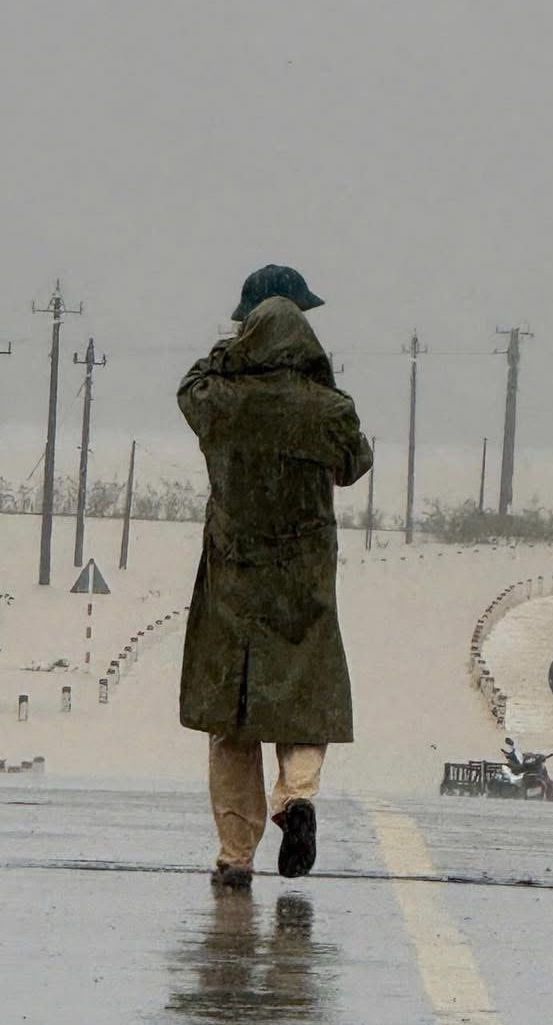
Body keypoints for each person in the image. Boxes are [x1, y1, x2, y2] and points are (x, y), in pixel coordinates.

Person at [178, 264, 372, 889]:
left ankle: (236, 855)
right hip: (303, 580)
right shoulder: (326, 408)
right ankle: (297, 800)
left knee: (231, 721)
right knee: (303, 705)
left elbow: (190, 388)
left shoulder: (222, 401)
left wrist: (233, 353)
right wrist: (320, 381)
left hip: (235, 579)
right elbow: (354, 464)